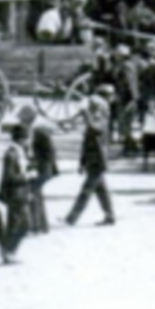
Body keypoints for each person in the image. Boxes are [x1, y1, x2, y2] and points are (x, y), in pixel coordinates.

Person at [65, 87, 115, 228]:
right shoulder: (100, 112)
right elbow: (87, 139)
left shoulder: (102, 115)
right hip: (94, 157)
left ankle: (71, 218)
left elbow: (95, 129)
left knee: (86, 190)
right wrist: (82, 161)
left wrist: (85, 113)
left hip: (98, 158)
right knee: (100, 190)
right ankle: (110, 216)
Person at [21, 105, 58, 235]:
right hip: (41, 168)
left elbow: (49, 152)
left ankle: (36, 226)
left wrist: (36, 163)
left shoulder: (39, 131)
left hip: (43, 168)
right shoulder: (35, 129)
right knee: (37, 195)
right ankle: (42, 226)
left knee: (33, 194)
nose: (21, 122)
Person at [1, 121, 32, 263]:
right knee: (22, 225)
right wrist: (26, 177)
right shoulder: (12, 154)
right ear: (21, 139)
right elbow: (9, 177)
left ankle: (8, 251)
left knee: (16, 224)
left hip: (20, 194)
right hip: (15, 194)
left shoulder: (18, 152)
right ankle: (9, 252)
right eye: (26, 139)